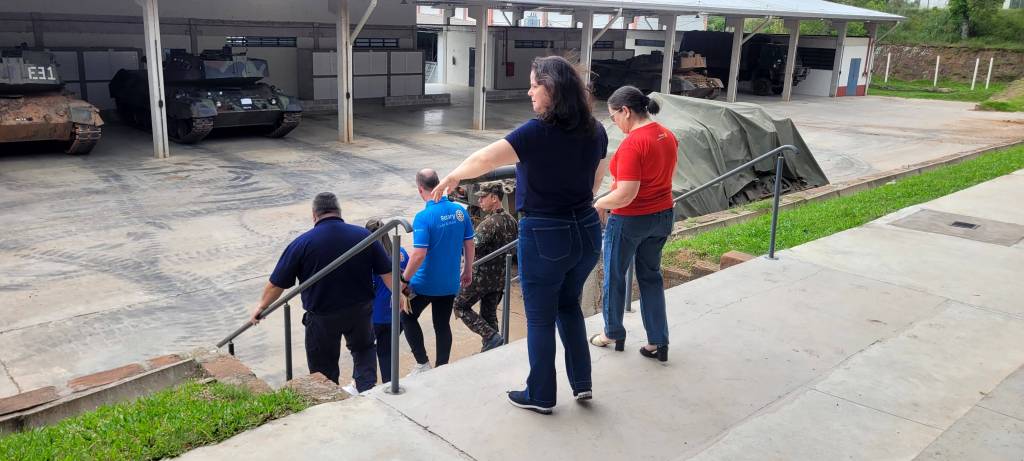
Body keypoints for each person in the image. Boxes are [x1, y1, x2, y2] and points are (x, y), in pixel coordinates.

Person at [432, 56, 608, 414]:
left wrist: (453, 176)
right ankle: (582, 382)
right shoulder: (596, 129)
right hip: (587, 230)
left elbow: (485, 159)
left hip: (546, 233)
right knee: (568, 304)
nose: (529, 92)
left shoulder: (537, 132)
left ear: (552, 89)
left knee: (541, 318)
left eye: (534, 85)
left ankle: (541, 394)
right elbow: (597, 177)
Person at [250, 192, 402, 393]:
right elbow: (387, 272)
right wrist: (399, 295)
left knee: (323, 367)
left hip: (322, 317)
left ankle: (330, 399)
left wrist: (262, 306)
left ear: (314, 215)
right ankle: (367, 392)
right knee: (364, 350)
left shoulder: (302, 243)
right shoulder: (363, 236)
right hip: (360, 311)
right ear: (339, 212)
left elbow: (276, 284)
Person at [591, 86, 678, 362]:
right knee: (651, 277)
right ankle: (658, 341)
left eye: (614, 116)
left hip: (630, 220)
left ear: (626, 111)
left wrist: (598, 204)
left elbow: (626, 194)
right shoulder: (667, 135)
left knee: (614, 276)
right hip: (662, 215)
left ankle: (612, 332)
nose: (615, 122)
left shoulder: (633, 143)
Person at [401, 168, 475, 375]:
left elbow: (418, 255)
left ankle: (422, 363)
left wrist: (404, 279)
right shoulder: (460, 211)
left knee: (406, 316)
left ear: (420, 189)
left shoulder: (423, 217)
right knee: (442, 324)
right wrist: (467, 270)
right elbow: (469, 244)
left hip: (425, 284)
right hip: (450, 282)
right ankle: (441, 368)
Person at [453, 182, 518, 352]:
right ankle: (493, 349)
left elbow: (470, 248)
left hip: (482, 277)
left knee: (459, 305)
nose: (479, 200)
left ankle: (490, 337)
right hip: (500, 278)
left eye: (483, 197)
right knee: (489, 314)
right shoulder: (511, 220)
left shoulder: (489, 223)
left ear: (494, 198)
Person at [366, 218, 409, 384]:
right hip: (399, 313)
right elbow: (409, 279)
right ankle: (389, 382)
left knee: (369, 351)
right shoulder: (401, 253)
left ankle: (382, 384)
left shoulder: (368, 259)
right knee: (388, 350)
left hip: (376, 317)